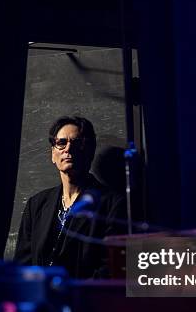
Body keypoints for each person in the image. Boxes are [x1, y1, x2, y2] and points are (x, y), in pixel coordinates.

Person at [14, 116, 126, 278]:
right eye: (61, 143)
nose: (68, 149)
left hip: (86, 299)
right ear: (53, 153)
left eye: (77, 142)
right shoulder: (36, 204)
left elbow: (110, 268)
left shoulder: (112, 204)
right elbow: (22, 264)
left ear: (90, 151)